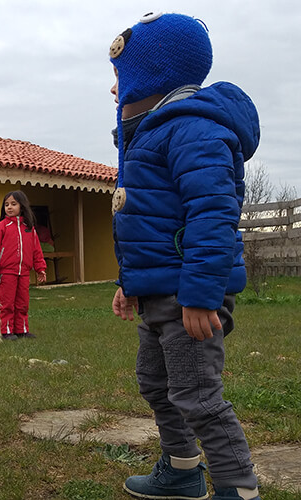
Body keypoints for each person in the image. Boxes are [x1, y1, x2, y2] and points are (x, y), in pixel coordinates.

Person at [108, 12, 261, 500]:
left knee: (199, 397)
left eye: (119, 76)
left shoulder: (193, 130)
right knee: (155, 384)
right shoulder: (151, 134)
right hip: (158, 292)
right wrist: (129, 282)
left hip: (188, 297)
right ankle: (181, 469)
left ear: (151, 74)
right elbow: (149, 222)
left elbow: (213, 214)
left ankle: (238, 489)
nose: (115, 90)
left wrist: (200, 293)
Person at [0, 190, 47, 340]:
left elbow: (36, 250)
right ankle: (5, 331)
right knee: (6, 303)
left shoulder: (29, 229)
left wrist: (40, 268)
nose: (9, 207)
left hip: (23, 272)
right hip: (7, 273)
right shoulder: (1, 228)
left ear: (22, 206)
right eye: (6, 204)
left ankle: (21, 329)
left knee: (22, 303)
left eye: (13, 204)